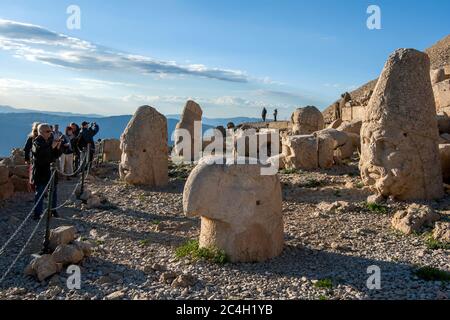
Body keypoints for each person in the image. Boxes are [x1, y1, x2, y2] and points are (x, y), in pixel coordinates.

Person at [32, 123, 63, 220]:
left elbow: (55, 155)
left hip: (51, 170)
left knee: (53, 191)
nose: (50, 133)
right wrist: (51, 147)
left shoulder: (50, 140)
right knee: (40, 192)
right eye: (48, 131)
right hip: (41, 171)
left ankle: (53, 210)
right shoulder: (36, 142)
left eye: (51, 131)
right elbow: (40, 156)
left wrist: (58, 147)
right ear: (41, 132)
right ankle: (37, 214)